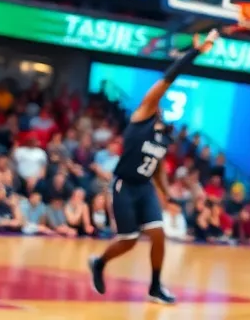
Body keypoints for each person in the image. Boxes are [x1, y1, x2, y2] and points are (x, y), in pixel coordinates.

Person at [89, 28, 217, 305]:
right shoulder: (141, 117)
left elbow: (157, 167)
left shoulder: (165, 134)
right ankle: (99, 262)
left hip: (145, 187)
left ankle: (156, 286)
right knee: (129, 240)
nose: (159, 103)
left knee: (158, 235)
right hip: (124, 184)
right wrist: (196, 52)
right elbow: (169, 78)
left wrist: (167, 191)